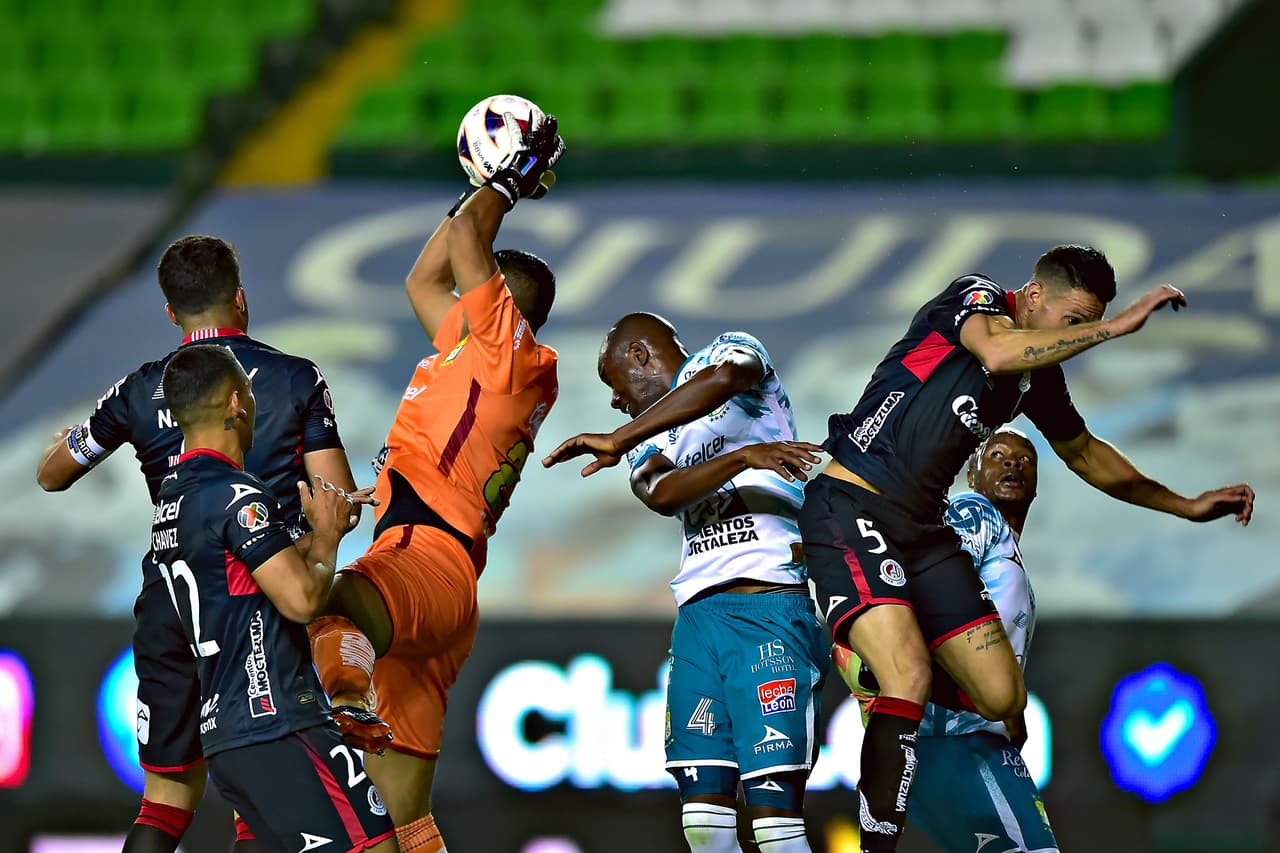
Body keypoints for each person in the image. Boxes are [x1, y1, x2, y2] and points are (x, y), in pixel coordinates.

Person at [799, 244, 1255, 851]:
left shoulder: (1036, 378)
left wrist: (1185, 505)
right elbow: (994, 348)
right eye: (1074, 320)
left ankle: (889, 674)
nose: (1079, 335)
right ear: (1034, 296)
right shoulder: (975, 297)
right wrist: (1116, 328)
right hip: (853, 503)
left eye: (1090, 322)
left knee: (1002, 695)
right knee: (907, 673)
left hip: (922, 530)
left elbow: (1085, 453)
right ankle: (878, 825)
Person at [35, 235, 362, 853]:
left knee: (163, 802)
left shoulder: (140, 389)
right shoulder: (295, 377)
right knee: (261, 787)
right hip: (258, 604)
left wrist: (70, 439)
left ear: (170, 312)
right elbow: (334, 495)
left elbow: (53, 475)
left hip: (172, 601)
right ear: (240, 298)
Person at [305, 114, 565, 852]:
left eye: (475, 289)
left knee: (320, 602)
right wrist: (475, 184)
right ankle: (355, 702)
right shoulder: (469, 348)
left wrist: (505, 181)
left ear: (499, 305)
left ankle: (346, 698)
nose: (456, 294)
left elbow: (466, 242)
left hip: (422, 558)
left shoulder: (508, 353)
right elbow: (424, 275)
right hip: (443, 581)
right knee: (403, 822)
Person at [543, 315, 827, 853]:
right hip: (697, 621)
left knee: (775, 829)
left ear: (641, 356)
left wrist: (620, 436)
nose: (615, 402)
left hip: (766, 604)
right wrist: (740, 457)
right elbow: (660, 491)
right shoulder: (645, 434)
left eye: (614, 384)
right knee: (702, 825)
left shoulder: (730, 351)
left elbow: (727, 377)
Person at [151, 343, 395, 852]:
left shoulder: (174, 497)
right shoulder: (238, 495)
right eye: (250, 391)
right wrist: (326, 536)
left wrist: (310, 538)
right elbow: (302, 601)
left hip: (228, 736)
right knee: (376, 846)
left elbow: (240, 574)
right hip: (279, 724)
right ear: (236, 402)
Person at [834, 428, 1058, 852]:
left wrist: (1006, 705)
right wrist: (989, 701)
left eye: (1025, 459)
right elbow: (934, 595)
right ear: (971, 474)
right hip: (955, 738)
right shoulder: (974, 512)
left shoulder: (1005, 546)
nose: (1012, 463)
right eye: (996, 454)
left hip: (957, 738)